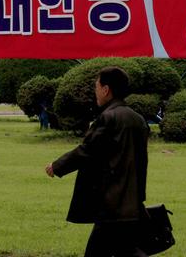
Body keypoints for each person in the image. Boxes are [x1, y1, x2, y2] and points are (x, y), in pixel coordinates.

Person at [45, 66, 150, 257]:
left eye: (96, 86)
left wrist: (57, 166)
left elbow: (87, 151)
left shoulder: (107, 118)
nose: (95, 91)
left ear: (106, 89)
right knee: (126, 250)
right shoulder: (138, 119)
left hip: (112, 202)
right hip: (132, 201)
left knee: (100, 251)